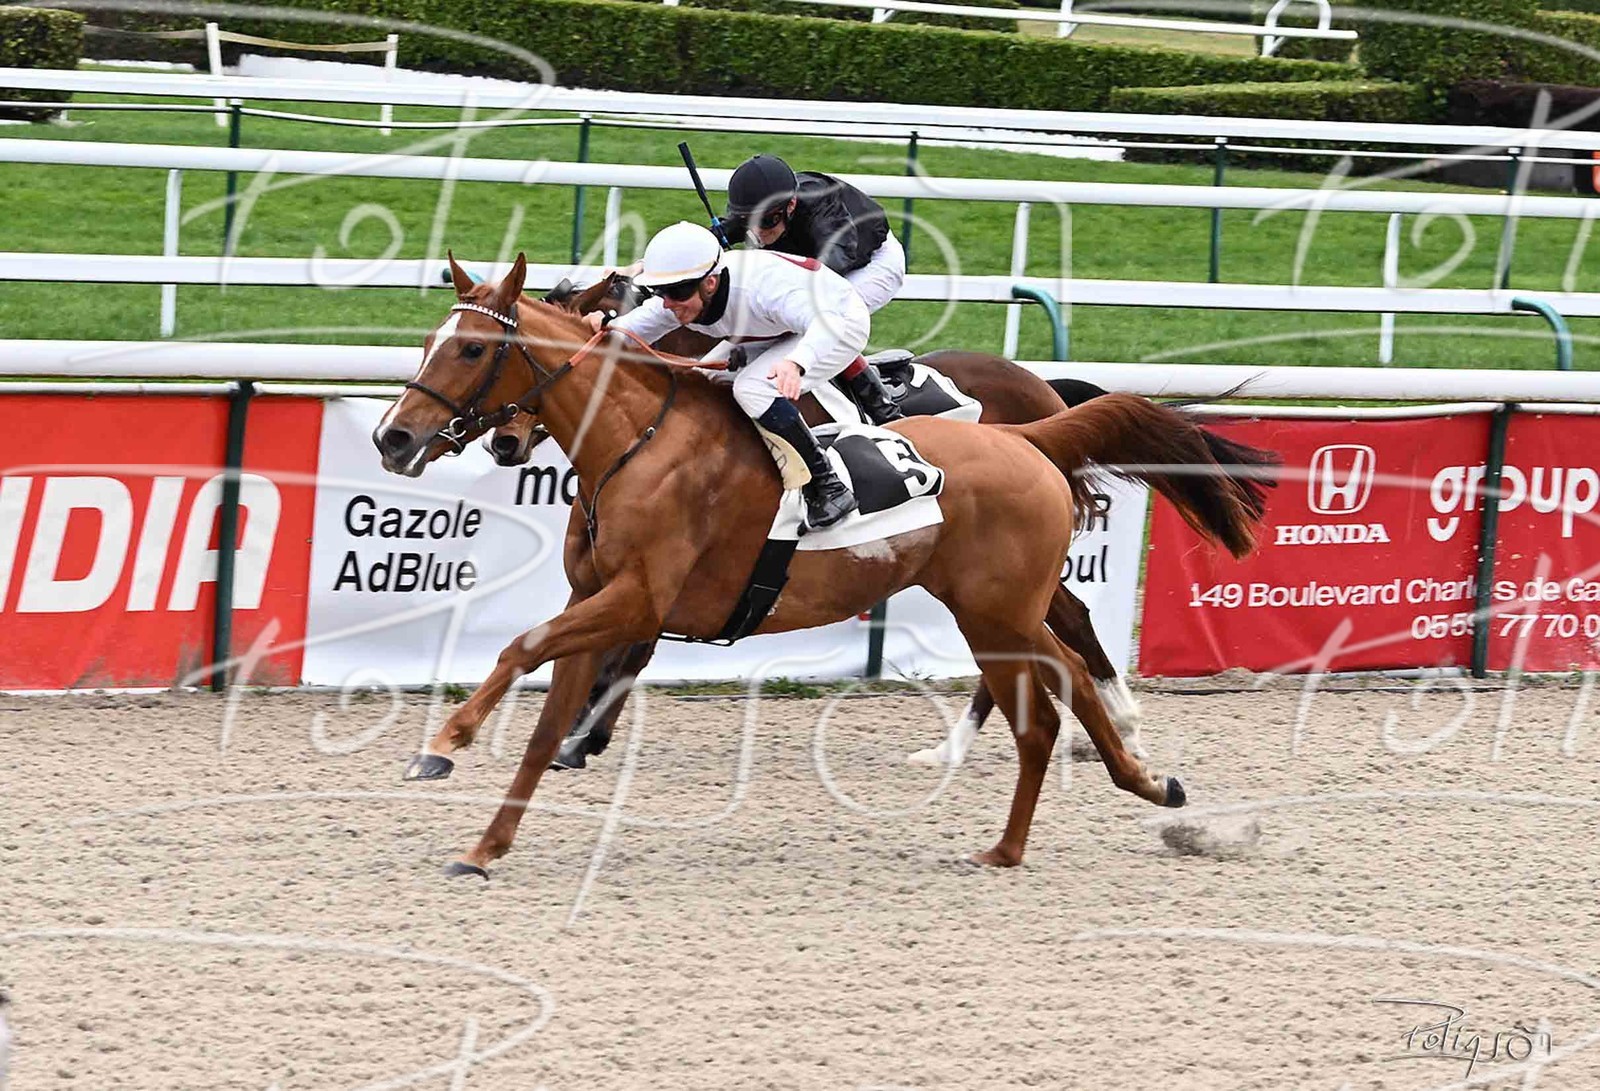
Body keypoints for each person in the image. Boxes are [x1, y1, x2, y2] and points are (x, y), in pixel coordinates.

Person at [593, 221, 868, 530]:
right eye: (660, 292)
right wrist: (592, 329)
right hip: (777, 326)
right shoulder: (682, 297)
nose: (667, 303)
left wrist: (796, 363)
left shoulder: (761, 290)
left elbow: (827, 322)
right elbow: (623, 336)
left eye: (676, 292)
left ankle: (828, 486)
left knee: (752, 389)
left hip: (838, 321)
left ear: (710, 283)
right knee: (702, 379)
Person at [722, 154, 907, 425]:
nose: (757, 232)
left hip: (872, 263)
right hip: (816, 258)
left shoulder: (823, 210)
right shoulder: (769, 206)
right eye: (746, 221)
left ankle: (882, 408)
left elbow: (832, 268)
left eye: (766, 222)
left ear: (791, 205)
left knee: (825, 317)